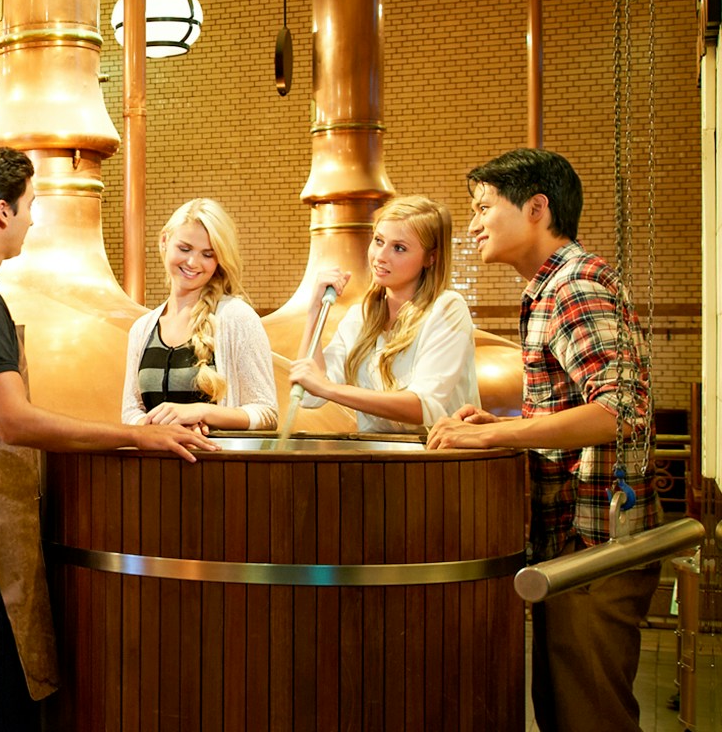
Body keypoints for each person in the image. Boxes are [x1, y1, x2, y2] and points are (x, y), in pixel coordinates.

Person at [0, 147, 216, 731]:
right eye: (29, 205)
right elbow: (15, 422)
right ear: (2, 212)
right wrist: (133, 437)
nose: (32, 219)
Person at [426, 149, 658, 732]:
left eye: (484, 208)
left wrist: (497, 435)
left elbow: (620, 411)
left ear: (536, 208)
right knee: (563, 711)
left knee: (589, 717)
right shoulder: (550, 288)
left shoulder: (573, 286)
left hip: (597, 542)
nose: (474, 225)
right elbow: (578, 409)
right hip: (573, 542)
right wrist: (497, 426)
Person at [288, 195, 479, 432]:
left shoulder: (447, 308)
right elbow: (308, 396)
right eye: (378, 241)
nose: (380, 256)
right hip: (378, 453)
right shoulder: (360, 317)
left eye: (399, 248)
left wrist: (329, 389)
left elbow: (424, 407)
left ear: (431, 257)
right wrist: (314, 311)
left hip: (438, 452)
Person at [120, 198, 278, 431]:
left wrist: (203, 412)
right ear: (164, 241)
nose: (193, 262)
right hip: (153, 456)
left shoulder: (237, 317)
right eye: (184, 249)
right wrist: (159, 428)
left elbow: (267, 413)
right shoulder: (142, 328)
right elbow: (131, 411)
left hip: (215, 456)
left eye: (208, 254)